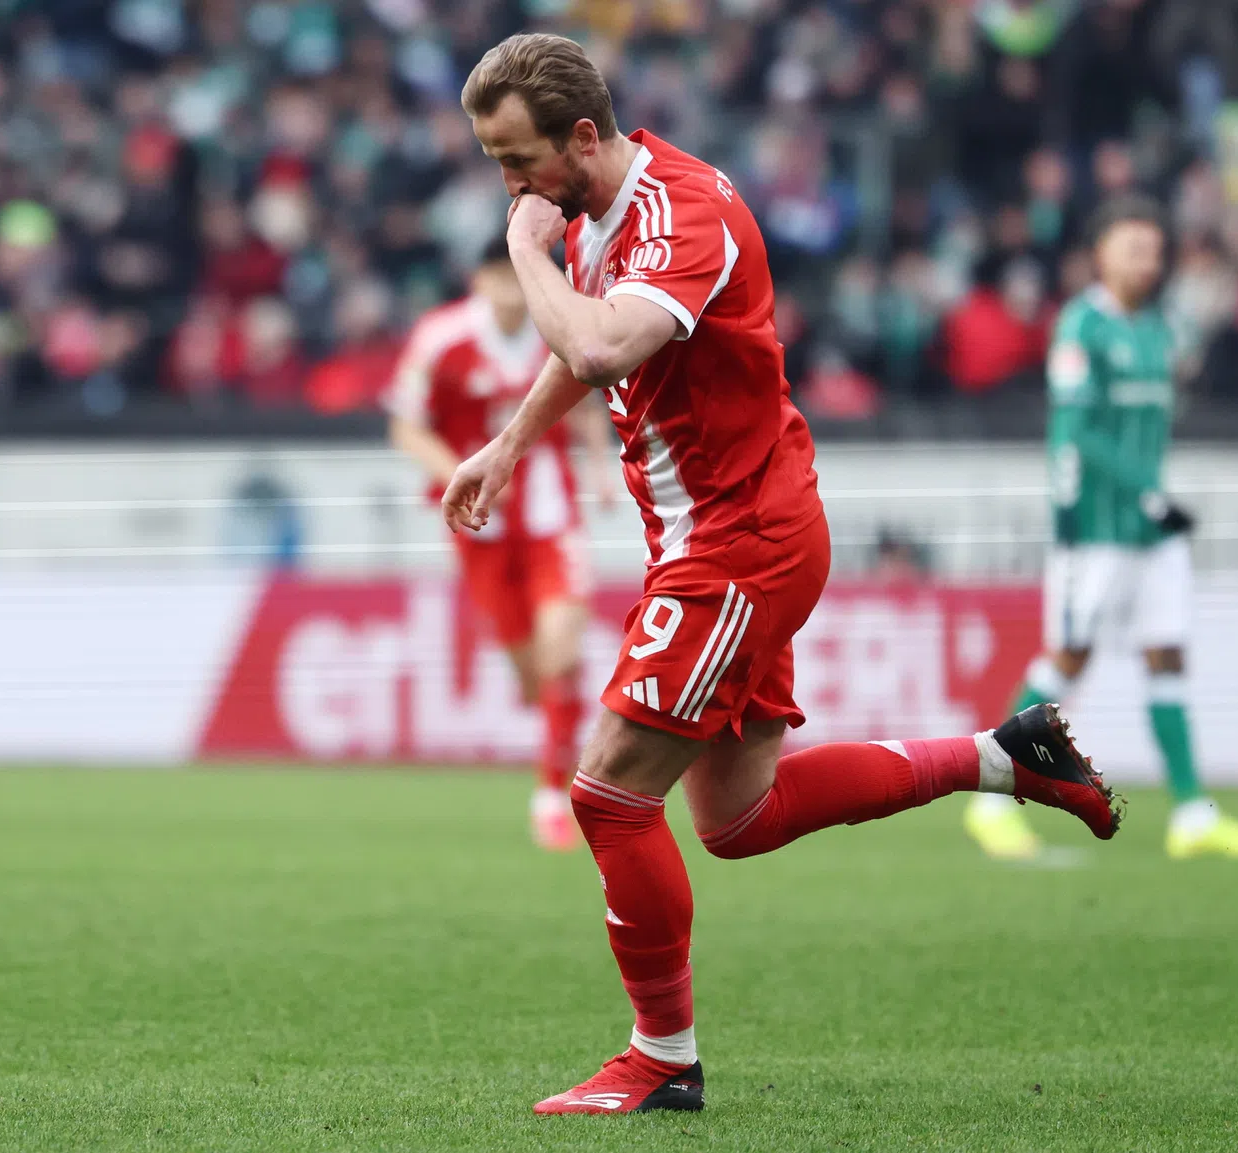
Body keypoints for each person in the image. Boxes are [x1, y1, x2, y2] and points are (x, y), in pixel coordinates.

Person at [444, 33, 1122, 1116]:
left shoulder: (682, 214)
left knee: (609, 793)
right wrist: (511, 441)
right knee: (737, 817)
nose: (509, 185)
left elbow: (609, 343)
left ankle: (662, 1057)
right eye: (493, 163)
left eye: (517, 160)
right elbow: (584, 353)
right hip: (722, 534)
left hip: (739, 539)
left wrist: (523, 249)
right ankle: (1006, 758)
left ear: (583, 135)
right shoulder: (591, 217)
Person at [965, 197, 1238, 863]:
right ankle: (987, 801)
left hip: (1151, 530)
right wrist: (1132, 496)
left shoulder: (1160, 329)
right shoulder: (1083, 326)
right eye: (1133, 247)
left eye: (1154, 249)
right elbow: (1072, 435)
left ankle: (1193, 813)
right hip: (1100, 531)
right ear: (1101, 252)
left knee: (1167, 654)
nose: (1147, 260)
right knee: (1068, 659)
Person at [388, 237, 611, 850]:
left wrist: (596, 468)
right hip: (479, 529)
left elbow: (588, 394)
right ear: (480, 280)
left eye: (520, 277)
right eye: (500, 277)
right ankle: (560, 720)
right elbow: (405, 426)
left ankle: (552, 796)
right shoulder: (441, 339)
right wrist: (450, 471)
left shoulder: (558, 321)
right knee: (531, 673)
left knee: (560, 647)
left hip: (551, 517)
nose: (513, 291)